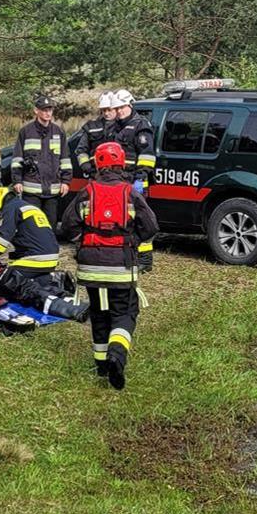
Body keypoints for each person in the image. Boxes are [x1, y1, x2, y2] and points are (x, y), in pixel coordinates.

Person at [57, 141, 157, 390]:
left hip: (90, 268)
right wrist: (131, 240)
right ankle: (117, 355)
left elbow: (68, 226)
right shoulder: (130, 193)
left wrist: (85, 242)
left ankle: (101, 365)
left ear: (97, 164)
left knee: (100, 314)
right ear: (122, 162)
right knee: (124, 312)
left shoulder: (87, 192)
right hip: (121, 267)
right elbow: (151, 227)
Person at [0, 187, 88, 320]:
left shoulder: (10, 208)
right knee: (31, 280)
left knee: (8, 280)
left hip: (36, 258)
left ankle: (59, 306)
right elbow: (29, 239)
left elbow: (2, 239)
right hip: (51, 256)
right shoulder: (27, 207)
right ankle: (58, 289)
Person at [105, 89, 157, 271]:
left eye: (122, 107)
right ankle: (124, 255)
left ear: (130, 105)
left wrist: (141, 178)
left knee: (140, 219)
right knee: (120, 219)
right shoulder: (112, 127)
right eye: (116, 108)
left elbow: (147, 155)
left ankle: (144, 260)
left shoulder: (140, 125)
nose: (119, 111)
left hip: (135, 180)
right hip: (116, 181)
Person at [9, 93, 72, 224]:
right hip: (31, 190)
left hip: (52, 190)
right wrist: (17, 181)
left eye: (50, 110)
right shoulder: (25, 131)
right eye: (44, 110)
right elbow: (17, 158)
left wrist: (66, 181)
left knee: (50, 225)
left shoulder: (58, 132)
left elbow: (65, 159)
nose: (48, 113)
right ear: (36, 111)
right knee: (31, 224)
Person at [68, 91, 118, 180]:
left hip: (118, 174)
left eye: (109, 110)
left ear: (116, 108)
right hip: (96, 174)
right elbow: (81, 150)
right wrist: (87, 167)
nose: (106, 113)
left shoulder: (124, 126)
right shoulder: (91, 127)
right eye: (103, 110)